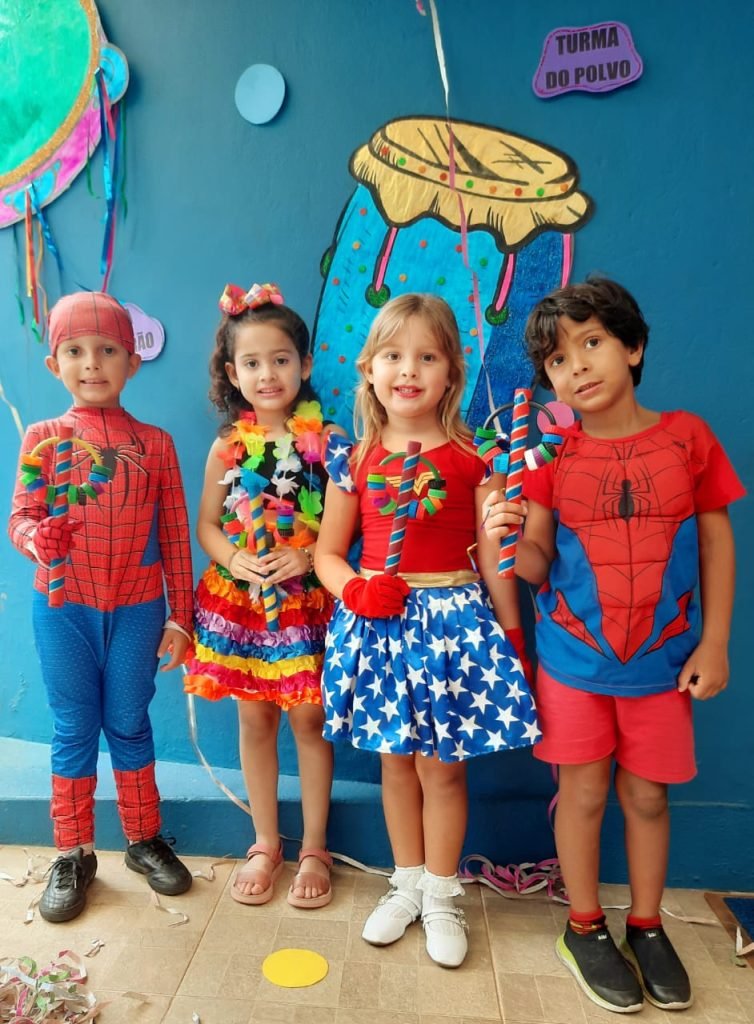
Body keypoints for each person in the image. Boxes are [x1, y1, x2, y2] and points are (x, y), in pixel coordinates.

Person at [482, 277, 745, 1012]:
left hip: (663, 666)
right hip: (573, 663)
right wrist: (506, 534)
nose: (577, 366)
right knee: (584, 791)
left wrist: (716, 642)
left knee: (648, 797)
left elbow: (717, 542)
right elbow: (537, 566)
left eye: (591, 343)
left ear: (633, 347)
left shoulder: (689, 438)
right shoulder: (549, 460)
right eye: (557, 361)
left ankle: (648, 925)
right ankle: (584, 926)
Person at [315, 293, 540, 968]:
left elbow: (494, 557)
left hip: (453, 628)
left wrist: (512, 635)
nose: (408, 369)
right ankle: (406, 883)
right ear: (369, 370)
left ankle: (442, 894)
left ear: (451, 374)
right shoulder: (353, 459)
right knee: (394, 764)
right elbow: (328, 554)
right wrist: (354, 587)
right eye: (392, 355)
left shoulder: (476, 458)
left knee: (443, 772)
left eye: (426, 356)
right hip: (378, 624)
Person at [9, 291, 195, 923]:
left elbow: (175, 536)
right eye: (76, 350)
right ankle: (73, 852)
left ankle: (143, 839)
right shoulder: (42, 438)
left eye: (108, 349)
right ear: (54, 363)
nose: (92, 362)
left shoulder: (156, 444)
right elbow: (20, 517)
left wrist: (180, 617)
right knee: (73, 727)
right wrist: (37, 539)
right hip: (63, 607)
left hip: (139, 607)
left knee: (129, 721)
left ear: (132, 361)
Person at [184, 282, 341, 909]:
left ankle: (316, 847)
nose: (268, 374)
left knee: (309, 718)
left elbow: (350, 522)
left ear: (304, 364)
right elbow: (207, 525)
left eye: (280, 359)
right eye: (251, 362)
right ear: (232, 374)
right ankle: (266, 841)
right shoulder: (227, 445)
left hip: (306, 601)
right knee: (255, 718)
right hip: (244, 605)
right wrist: (234, 559)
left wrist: (309, 554)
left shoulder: (327, 440)